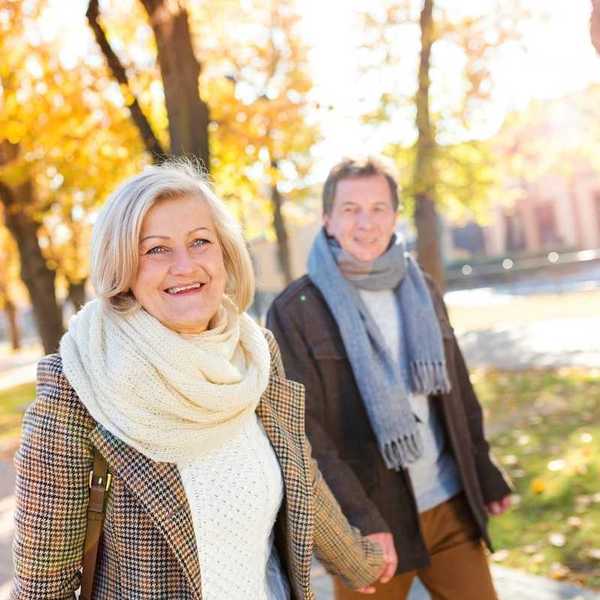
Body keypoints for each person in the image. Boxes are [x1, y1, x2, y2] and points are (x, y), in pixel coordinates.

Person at [11, 161, 385, 600]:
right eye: (156, 250)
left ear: (224, 255)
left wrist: (359, 561)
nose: (184, 266)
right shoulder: (80, 383)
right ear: (124, 269)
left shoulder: (253, 355)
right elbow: (41, 587)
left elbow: (300, 474)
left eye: (200, 242)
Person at [267, 157, 512, 600]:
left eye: (379, 208)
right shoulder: (295, 310)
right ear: (327, 218)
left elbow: (457, 389)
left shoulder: (423, 288)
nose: (366, 222)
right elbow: (305, 433)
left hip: (448, 505)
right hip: (372, 527)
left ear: (395, 216)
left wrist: (484, 470)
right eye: (351, 209)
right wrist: (357, 519)